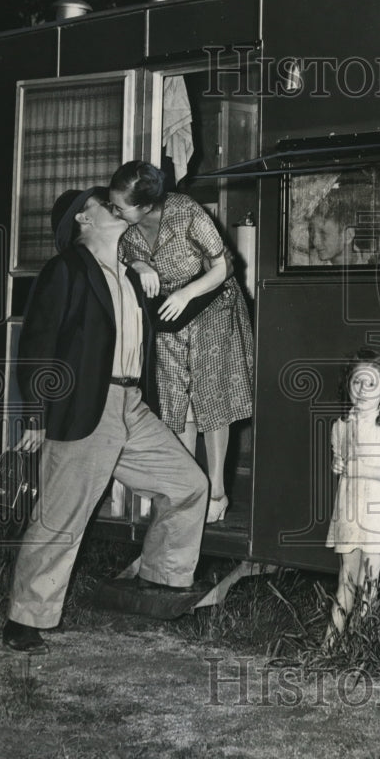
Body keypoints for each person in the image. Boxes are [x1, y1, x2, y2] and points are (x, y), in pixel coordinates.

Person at [2, 187, 209, 655]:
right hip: (82, 405)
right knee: (61, 517)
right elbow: (37, 346)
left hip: (130, 404)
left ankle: (160, 581)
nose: (114, 206)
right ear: (82, 220)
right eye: (102, 203)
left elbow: (170, 320)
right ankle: (23, 620)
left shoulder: (133, 275)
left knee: (187, 484)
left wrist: (211, 277)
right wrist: (36, 415)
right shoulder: (66, 270)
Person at [110, 161, 253, 523]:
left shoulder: (186, 212)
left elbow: (225, 267)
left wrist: (187, 293)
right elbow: (119, 257)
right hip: (169, 317)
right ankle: (188, 491)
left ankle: (216, 494)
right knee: (177, 400)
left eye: (120, 206)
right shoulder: (124, 227)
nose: (114, 210)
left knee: (212, 398)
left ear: (145, 206)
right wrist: (140, 267)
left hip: (210, 305)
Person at [323, 348, 380, 648]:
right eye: (356, 382)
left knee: (368, 583)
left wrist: (365, 468)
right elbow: (341, 461)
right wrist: (339, 465)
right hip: (350, 511)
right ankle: (330, 645)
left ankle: (361, 648)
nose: (362, 390)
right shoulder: (340, 426)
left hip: (379, 514)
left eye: (371, 383)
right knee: (346, 580)